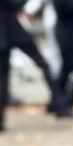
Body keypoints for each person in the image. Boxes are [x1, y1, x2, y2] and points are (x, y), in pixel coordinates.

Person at [1, 0, 67, 132]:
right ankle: (59, 103)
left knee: (3, 76)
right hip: (11, 30)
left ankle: (58, 102)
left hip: (8, 31)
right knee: (42, 64)